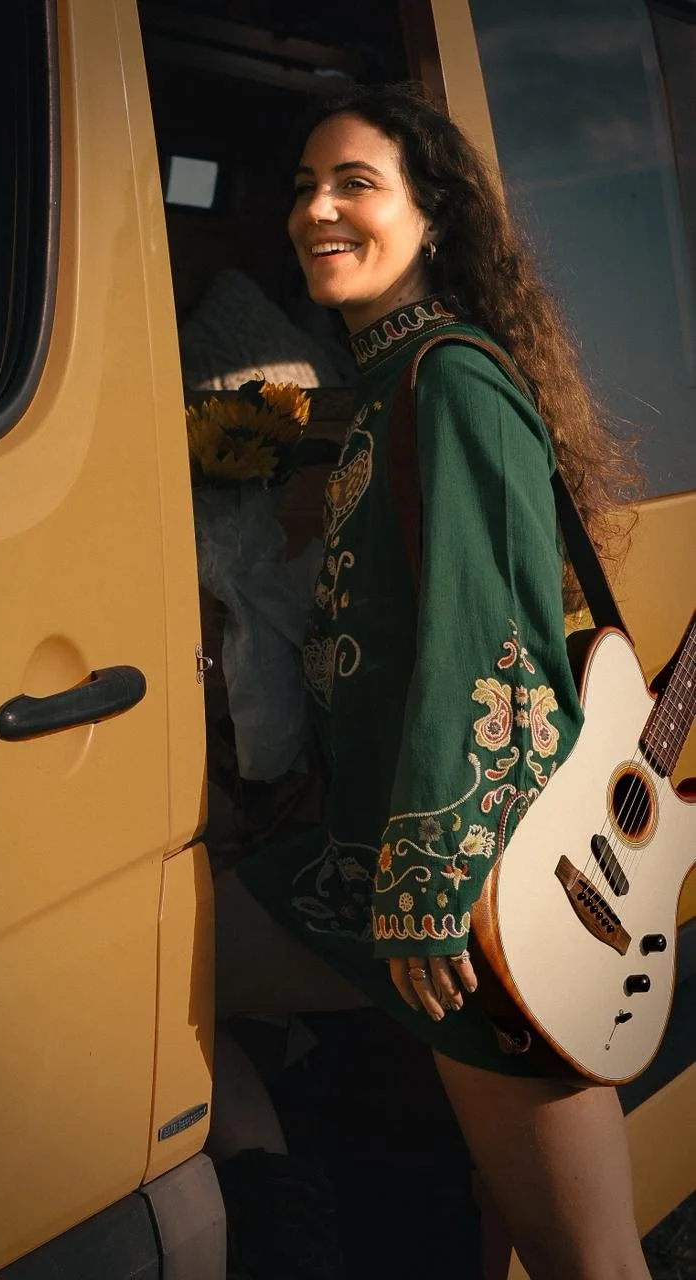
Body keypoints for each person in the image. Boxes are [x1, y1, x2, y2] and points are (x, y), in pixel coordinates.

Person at [210, 82, 647, 1280]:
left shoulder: (448, 380)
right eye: (304, 186)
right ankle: (279, 1210)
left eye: (354, 183)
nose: (317, 209)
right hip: (379, 862)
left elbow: (485, 650)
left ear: (432, 219)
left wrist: (428, 892)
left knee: (586, 1256)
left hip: (478, 897)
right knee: (167, 971)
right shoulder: (385, 387)